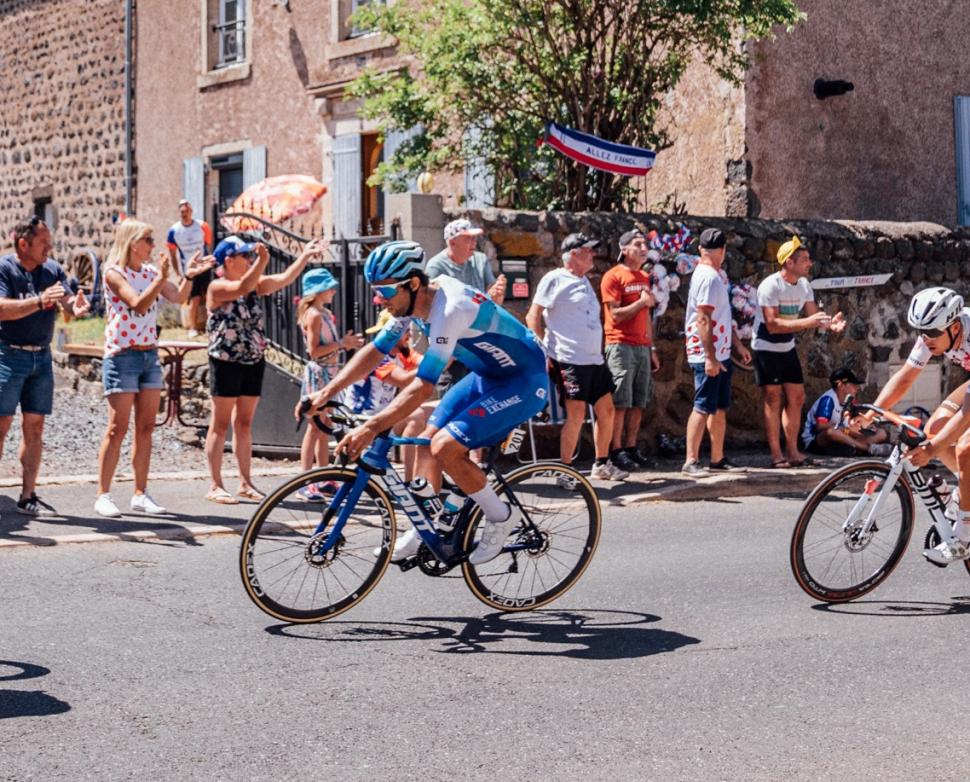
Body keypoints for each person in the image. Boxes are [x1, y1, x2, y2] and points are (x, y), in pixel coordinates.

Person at [308, 240, 548, 565]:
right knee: (425, 439)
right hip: (488, 377)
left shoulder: (450, 309)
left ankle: (502, 516)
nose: (380, 299)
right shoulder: (411, 306)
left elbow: (423, 386)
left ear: (414, 283)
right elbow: (375, 351)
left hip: (525, 380)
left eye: (387, 292)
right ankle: (427, 526)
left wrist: (370, 428)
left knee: (445, 447)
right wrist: (324, 394)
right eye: (376, 291)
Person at [94, 219, 213, 518]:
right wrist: (160, 278)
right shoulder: (114, 273)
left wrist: (189, 275)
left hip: (149, 355)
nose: (152, 244)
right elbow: (137, 304)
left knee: (146, 428)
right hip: (122, 356)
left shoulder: (149, 272)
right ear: (132, 243)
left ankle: (140, 493)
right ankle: (103, 494)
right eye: (147, 239)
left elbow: (179, 297)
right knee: (117, 428)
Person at [204, 235, 327, 504]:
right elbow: (243, 286)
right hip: (226, 360)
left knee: (245, 423)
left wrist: (304, 256)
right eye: (245, 256)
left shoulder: (253, 284)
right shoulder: (218, 287)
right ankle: (215, 484)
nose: (249, 260)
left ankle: (245, 482)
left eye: (251, 256)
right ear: (229, 260)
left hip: (252, 359)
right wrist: (262, 261)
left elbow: (283, 279)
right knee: (221, 423)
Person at [863, 287, 970, 564]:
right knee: (936, 429)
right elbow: (906, 377)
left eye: (932, 333)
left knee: (965, 447)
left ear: (955, 327)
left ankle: (964, 536)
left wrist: (932, 450)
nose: (926, 339)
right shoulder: (934, 333)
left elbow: (967, 414)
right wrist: (874, 412)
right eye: (921, 332)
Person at [0, 216, 90, 516]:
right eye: (43, 243)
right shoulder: (5, 269)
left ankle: (27, 495)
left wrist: (75, 307)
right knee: (1, 427)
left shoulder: (51, 270)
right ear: (23, 244)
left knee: (35, 427)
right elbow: (1, 309)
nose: (49, 248)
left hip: (42, 357)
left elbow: (66, 304)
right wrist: (39, 301)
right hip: (8, 356)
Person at [526, 232, 627, 483]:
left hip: (593, 359)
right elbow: (533, 316)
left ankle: (601, 464)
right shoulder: (554, 278)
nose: (593, 254)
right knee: (577, 414)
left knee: (607, 410)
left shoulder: (583, 281)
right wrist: (543, 349)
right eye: (588, 250)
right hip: (569, 359)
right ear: (573, 255)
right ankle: (565, 470)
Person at [752, 236, 846, 468]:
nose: (809, 263)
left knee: (796, 398)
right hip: (766, 348)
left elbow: (814, 316)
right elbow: (772, 325)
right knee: (773, 399)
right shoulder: (770, 286)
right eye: (804, 259)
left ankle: (793, 451)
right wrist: (808, 323)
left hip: (787, 348)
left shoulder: (804, 285)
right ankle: (777, 455)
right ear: (789, 263)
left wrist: (830, 325)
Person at [682, 228, 752, 477]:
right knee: (702, 406)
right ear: (722, 251)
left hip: (719, 351)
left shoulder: (713, 276)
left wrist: (736, 345)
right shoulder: (709, 278)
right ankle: (691, 460)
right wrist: (710, 357)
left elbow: (722, 316)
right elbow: (703, 318)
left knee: (719, 406)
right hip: (707, 354)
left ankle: (717, 457)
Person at [339, 309, 432, 483]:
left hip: (382, 414)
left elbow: (426, 361)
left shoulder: (402, 353)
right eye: (405, 332)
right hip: (362, 418)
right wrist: (433, 366)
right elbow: (404, 380)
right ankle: (410, 480)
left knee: (432, 414)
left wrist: (443, 354)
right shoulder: (380, 360)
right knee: (417, 415)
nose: (409, 336)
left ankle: (421, 478)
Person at [295, 266, 364, 501]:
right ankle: (305, 480)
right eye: (328, 287)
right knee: (315, 428)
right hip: (320, 373)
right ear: (317, 291)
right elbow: (314, 351)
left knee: (324, 427)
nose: (333, 291)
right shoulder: (314, 315)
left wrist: (345, 344)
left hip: (330, 372)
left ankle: (323, 478)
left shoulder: (322, 313)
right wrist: (343, 343)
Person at [424, 218, 507, 397]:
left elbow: (493, 301)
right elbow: (429, 308)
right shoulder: (436, 267)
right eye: (468, 239)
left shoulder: (480, 260)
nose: (474, 243)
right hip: (454, 347)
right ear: (452, 242)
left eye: (474, 238)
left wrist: (497, 295)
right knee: (452, 400)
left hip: (480, 345)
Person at [601, 228, 660, 473]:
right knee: (621, 401)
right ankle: (616, 450)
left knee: (639, 400)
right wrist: (640, 302)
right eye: (637, 244)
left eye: (645, 245)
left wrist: (651, 346)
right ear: (624, 250)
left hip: (641, 346)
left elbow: (645, 315)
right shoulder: (613, 276)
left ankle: (631, 446)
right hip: (620, 343)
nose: (643, 248)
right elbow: (614, 314)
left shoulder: (643, 277)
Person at [801, 368, 890, 457]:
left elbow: (853, 421)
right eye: (853, 384)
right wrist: (846, 431)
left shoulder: (849, 400)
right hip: (816, 441)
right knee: (831, 432)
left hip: (844, 437)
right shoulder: (828, 400)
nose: (857, 388)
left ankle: (858, 448)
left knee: (881, 433)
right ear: (841, 386)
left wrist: (858, 425)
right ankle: (866, 448)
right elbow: (821, 426)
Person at [166, 199, 213, 337]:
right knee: (194, 298)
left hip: (203, 266)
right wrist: (178, 273)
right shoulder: (174, 231)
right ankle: (192, 327)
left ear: (191, 211)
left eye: (186, 211)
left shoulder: (202, 226)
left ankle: (209, 325)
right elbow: (173, 254)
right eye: (182, 212)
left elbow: (208, 244)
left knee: (209, 296)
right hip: (189, 269)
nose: (184, 214)